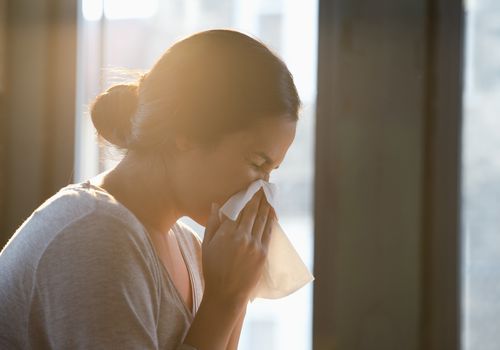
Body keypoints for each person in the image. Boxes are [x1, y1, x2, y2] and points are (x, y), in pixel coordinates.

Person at [0, 29, 300, 349]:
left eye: (270, 172)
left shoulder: (193, 250)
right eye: (257, 163)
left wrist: (238, 293)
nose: (260, 190)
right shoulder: (95, 234)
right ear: (187, 132)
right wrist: (223, 301)